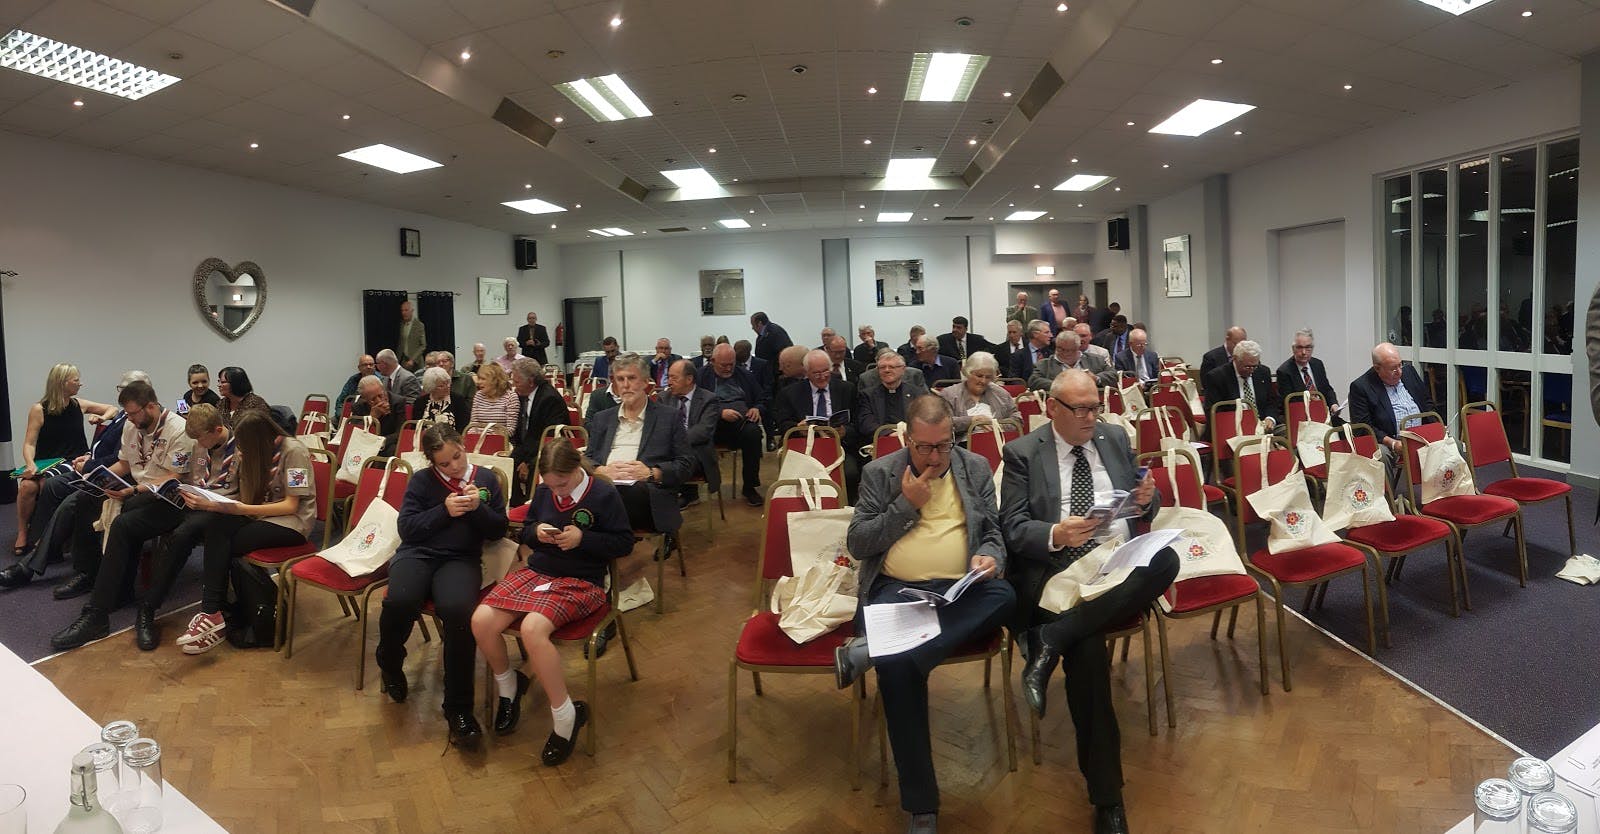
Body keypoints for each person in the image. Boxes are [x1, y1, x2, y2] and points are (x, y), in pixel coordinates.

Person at [1001, 368, 1175, 834]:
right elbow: (1012, 529)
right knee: (1089, 653)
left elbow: (1142, 507)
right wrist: (1054, 533)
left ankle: (1049, 639)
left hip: (1113, 566)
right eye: (1079, 408)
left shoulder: (1114, 437)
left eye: (1095, 406)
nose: (1090, 416)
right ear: (1051, 408)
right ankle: (1107, 799)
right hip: (1058, 573)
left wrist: (1148, 499)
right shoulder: (1022, 453)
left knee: (1166, 561)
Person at [833, 395, 1016, 833]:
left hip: (960, 589)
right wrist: (905, 506)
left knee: (1007, 595)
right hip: (898, 590)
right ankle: (921, 805)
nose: (935, 458)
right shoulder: (881, 473)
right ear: (907, 439)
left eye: (943, 446)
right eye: (925, 448)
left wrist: (989, 557)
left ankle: (876, 649)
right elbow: (858, 544)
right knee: (899, 672)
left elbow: (992, 532)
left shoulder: (972, 467)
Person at [471, 438, 634, 764]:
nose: (556, 492)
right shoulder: (547, 490)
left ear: (576, 470)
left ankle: (565, 716)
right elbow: (527, 529)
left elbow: (624, 543)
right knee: (481, 620)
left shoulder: (603, 494)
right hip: (540, 572)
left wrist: (583, 538)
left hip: (581, 580)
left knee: (533, 629)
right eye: (550, 485)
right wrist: (538, 533)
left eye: (562, 484)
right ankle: (509, 688)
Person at [376, 424, 508, 747]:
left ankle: (458, 709)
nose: (454, 466)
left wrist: (479, 510)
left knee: (458, 611)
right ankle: (390, 663)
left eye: (457, 457)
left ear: (463, 446)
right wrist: (443, 511)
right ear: (432, 463)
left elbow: (498, 530)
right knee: (399, 601)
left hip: (460, 559)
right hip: (417, 553)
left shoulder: (487, 479)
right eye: (444, 464)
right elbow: (407, 528)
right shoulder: (422, 481)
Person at [48, 380, 199, 650]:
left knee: (124, 522)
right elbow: (125, 464)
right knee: (87, 499)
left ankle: (98, 612)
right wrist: (96, 478)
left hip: (171, 499)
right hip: (139, 493)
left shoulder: (179, 429)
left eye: (132, 413)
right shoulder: (132, 426)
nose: (128, 419)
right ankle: (95, 577)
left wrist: (133, 490)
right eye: (127, 414)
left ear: (150, 406)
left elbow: (175, 477)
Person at [172, 408, 315, 654]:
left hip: (292, 522)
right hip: (260, 515)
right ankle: (214, 611)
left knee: (226, 542)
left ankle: (213, 612)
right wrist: (221, 506)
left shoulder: (294, 452)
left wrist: (237, 509)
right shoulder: (256, 453)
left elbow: (291, 505)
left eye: (245, 445)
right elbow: (251, 496)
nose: (240, 450)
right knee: (217, 527)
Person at [0, 371, 143, 587]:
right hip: (84, 463)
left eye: (123, 390)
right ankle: (41, 543)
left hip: (106, 474)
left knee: (63, 494)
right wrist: (90, 458)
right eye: (120, 389)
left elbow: (123, 460)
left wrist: (90, 465)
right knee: (43, 486)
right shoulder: (126, 415)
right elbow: (29, 443)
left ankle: (34, 560)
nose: (119, 394)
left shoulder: (133, 419)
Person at [584, 355, 692, 575]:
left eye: (631, 378)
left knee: (619, 494)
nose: (625, 385)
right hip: (605, 488)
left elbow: (686, 463)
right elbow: (588, 458)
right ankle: (603, 573)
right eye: (620, 379)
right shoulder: (603, 419)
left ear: (645, 382)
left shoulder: (668, 417)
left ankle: (603, 574)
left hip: (647, 495)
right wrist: (599, 470)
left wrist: (652, 473)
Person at [12, 364, 111, 557]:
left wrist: (101, 418)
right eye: (76, 380)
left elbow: (112, 409)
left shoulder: (78, 404)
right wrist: (30, 464)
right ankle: (23, 532)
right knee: (26, 487)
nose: (80, 384)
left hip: (73, 459)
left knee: (45, 484)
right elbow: (29, 444)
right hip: (46, 461)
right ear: (62, 383)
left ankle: (45, 536)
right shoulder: (39, 409)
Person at [775, 349, 862, 498]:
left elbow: (858, 422)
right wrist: (797, 429)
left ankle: (847, 509)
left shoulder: (846, 389)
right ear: (806, 372)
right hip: (804, 448)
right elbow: (782, 424)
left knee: (851, 473)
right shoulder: (789, 393)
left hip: (839, 446)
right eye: (816, 373)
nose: (822, 377)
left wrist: (845, 431)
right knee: (799, 478)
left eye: (825, 371)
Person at [697, 344, 767, 507]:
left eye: (732, 364)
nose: (729, 369)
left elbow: (762, 398)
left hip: (740, 423)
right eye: (724, 365)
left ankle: (750, 487)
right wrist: (720, 412)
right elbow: (695, 404)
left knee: (753, 434)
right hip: (711, 426)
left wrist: (756, 408)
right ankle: (690, 492)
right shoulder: (701, 376)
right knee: (692, 437)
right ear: (712, 361)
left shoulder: (744, 375)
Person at [1348, 342, 1434, 454]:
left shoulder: (1409, 372)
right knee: (1381, 454)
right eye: (1393, 368)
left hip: (1421, 435)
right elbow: (1363, 428)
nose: (1399, 372)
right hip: (1390, 441)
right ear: (1377, 368)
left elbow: (1427, 403)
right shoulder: (1361, 387)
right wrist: (1392, 443)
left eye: (1400, 365)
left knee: (1453, 443)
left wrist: (1438, 426)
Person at [509, 358, 570, 506]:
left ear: (530, 381)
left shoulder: (549, 398)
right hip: (529, 445)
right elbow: (523, 432)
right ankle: (514, 506)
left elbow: (548, 438)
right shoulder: (524, 395)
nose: (514, 386)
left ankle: (535, 507)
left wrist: (528, 463)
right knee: (508, 462)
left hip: (549, 449)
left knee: (536, 465)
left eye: (516, 382)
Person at [664, 359, 719, 508]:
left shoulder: (709, 399)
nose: (669, 382)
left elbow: (703, 431)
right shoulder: (665, 398)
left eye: (673, 378)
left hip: (698, 451)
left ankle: (673, 497)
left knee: (678, 459)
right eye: (668, 377)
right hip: (669, 449)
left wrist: (675, 442)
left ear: (689, 379)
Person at [1201, 339, 1282, 429]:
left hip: (1262, 426)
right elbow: (1214, 411)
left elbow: (1272, 402)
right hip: (1232, 427)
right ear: (1235, 359)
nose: (1251, 371)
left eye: (1254, 366)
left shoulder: (1263, 372)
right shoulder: (1217, 377)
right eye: (1247, 367)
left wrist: (1270, 418)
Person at [940, 352, 1019, 436]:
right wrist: (972, 421)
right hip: (962, 446)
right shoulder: (949, 395)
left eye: (988, 377)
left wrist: (997, 425)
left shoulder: (1001, 394)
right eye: (979, 376)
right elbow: (941, 424)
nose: (983, 381)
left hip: (998, 443)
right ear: (968, 373)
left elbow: (1017, 420)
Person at [1275, 328, 1343, 424]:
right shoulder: (1284, 371)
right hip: (1302, 420)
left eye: (1308, 347)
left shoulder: (1317, 364)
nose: (1303, 352)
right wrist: (1310, 400)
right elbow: (1288, 402)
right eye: (1299, 347)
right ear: (1293, 349)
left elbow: (1327, 389)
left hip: (1324, 415)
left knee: (1352, 431)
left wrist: (1333, 404)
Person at [857, 350, 929, 439]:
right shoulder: (867, 395)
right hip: (881, 440)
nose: (887, 370)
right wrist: (889, 434)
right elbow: (866, 423)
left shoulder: (917, 393)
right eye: (882, 367)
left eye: (891, 367)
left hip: (911, 439)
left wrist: (908, 433)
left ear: (903, 369)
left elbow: (924, 419)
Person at [1029, 331, 1115, 392]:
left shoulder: (1096, 360)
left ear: (1078, 348)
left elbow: (1114, 375)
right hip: (1059, 405)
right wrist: (1060, 385)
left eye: (1069, 350)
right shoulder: (1044, 364)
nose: (1064, 353)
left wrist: (1096, 379)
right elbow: (1034, 381)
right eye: (1060, 349)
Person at [352, 374, 404, 455]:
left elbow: (401, 432)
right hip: (365, 444)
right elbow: (356, 433)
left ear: (384, 390)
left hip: (388, 443)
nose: (379, 401)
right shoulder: (358, 406)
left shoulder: (397, 402)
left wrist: (379, 442)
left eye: (380, 395)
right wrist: (371, 418)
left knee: (392, 450)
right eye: (373, 399)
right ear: (364, 399)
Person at [470, 362, 521, 429]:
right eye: (479, 378)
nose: (478, 382)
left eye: (483, 379)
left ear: (495, 381)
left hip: (501, 438)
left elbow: (510, 429)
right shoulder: (478, 395)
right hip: (479, 437)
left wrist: (488, 435)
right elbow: (473, 424)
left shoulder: (511, 397)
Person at [750, 311, 793, 380]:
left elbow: (785, 352)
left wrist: (782, 371)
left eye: (753, 325)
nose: (752, 328)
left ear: (759, 323)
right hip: (769, 372)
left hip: (776, 374)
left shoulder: (775, 332)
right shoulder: (763, 334)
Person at [397, 299, 427, 371]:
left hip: (416, 362)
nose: (403, 312)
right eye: (402, 310)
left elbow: (423, 345)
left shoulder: (419, 325)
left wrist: (412, 360)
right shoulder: (401, 324)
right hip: (403, 361)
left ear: (412, 311)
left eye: (406, 310)